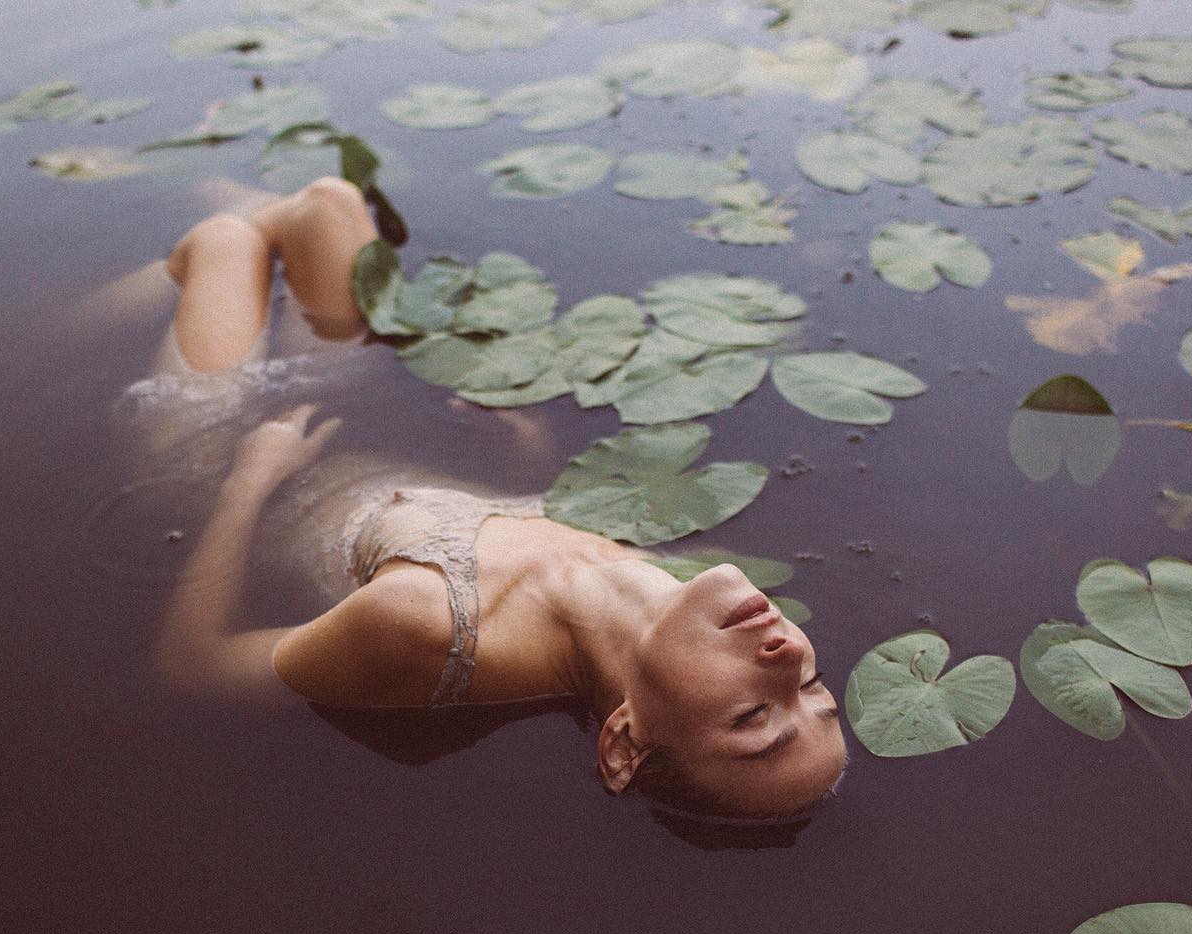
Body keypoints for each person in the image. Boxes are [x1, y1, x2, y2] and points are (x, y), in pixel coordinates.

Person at [146, 176, 847, 819]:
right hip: (343, 417)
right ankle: (233, 211)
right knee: (329, 204)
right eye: (815, 687)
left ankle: (108, 286)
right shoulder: (666, 577)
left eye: (753, 718)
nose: (787, 657)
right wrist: (526, 454)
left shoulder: (423, 627)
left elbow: (193, 664)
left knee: (227, 241)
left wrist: (248, 481)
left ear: (624, 741)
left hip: (219, 452)